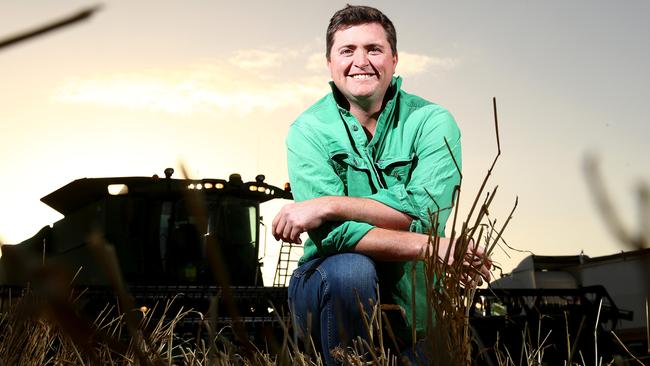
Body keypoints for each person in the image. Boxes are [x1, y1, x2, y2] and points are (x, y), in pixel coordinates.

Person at [271, 5, 490, 365]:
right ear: (329, 62)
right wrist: (431, 247)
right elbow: (335, 237)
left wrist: (331, 204)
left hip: (417, 306)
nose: (361, 61)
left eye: (373, 49)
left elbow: (425, 213)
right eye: (347, 50)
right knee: (350, 268)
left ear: (394, 58)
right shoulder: (307, 130)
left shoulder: (432, 122)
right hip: (329, 290)